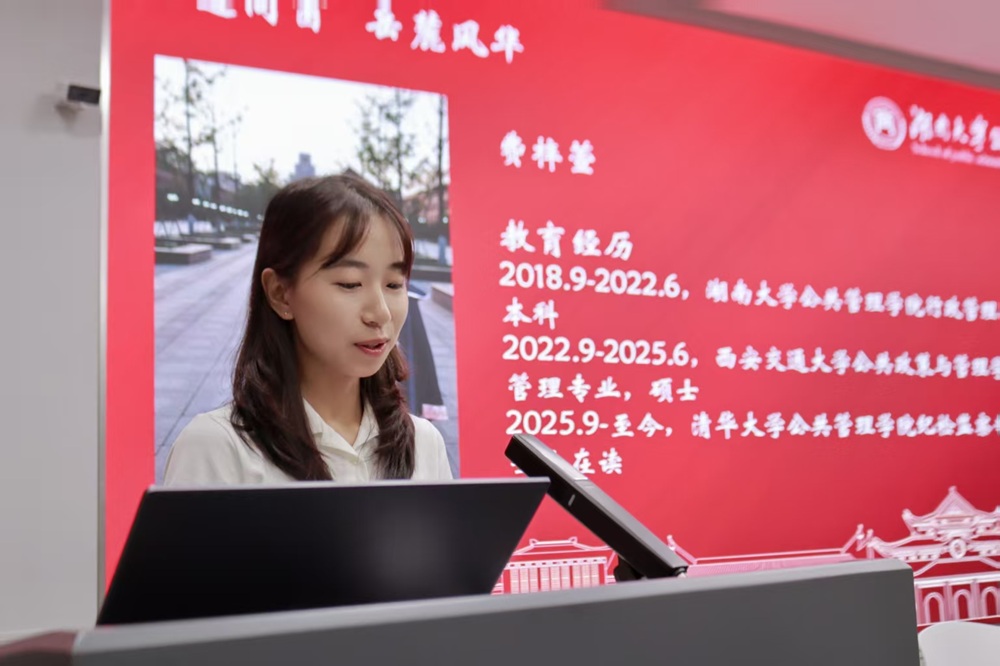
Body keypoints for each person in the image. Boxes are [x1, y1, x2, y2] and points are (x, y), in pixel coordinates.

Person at [163, 174, 453, 485]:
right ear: (280, 293)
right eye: (350, 284)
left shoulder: (425, 445)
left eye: (394, 284)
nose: (381, 313)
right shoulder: (216, 450)